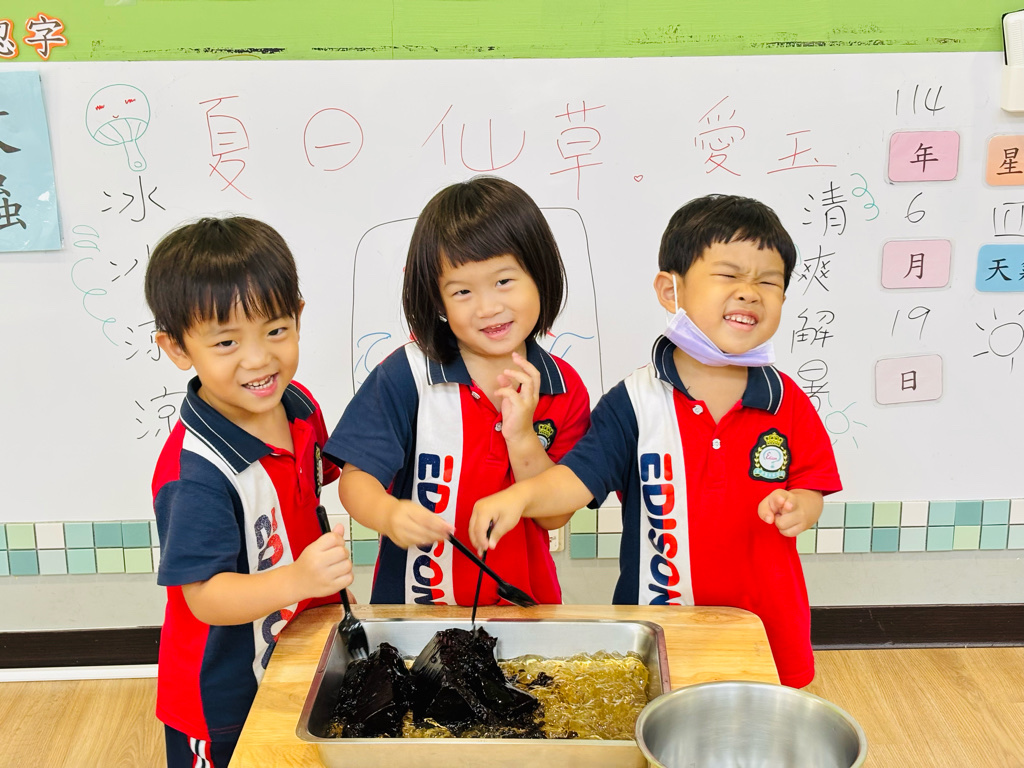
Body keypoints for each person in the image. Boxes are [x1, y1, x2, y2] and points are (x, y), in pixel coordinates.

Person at [470, 194, 841, 688]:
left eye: (768, 282)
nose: (750, 293)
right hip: (657, 625)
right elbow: (574, 481)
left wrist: (801, 507)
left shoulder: (786, 401)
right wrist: (520, 496)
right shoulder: (633, 402)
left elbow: (812, 486)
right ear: (671, 290)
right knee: (657, 720)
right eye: (728, 275)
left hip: (765, 626)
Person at [145, 216, 353, 768]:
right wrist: (300, 579)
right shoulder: (196, 472)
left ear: (299, 316)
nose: (259, 359)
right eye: (227, 342)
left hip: (298, 654)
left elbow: (313, 496)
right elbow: (205, 598)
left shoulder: (299, 405)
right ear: (177, 348)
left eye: (276, 331)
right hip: (220, 694)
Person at [325, 175, 590, 605]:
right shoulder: (405, 375)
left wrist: (522, 437)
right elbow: (355, 481)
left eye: (504, 281)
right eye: (463, 291)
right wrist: (388, 514)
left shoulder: (563, 387)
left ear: (540, 274)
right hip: (414, 614)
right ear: (437, 300)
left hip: (526, 613)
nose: (488, 308)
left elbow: (555, 515)